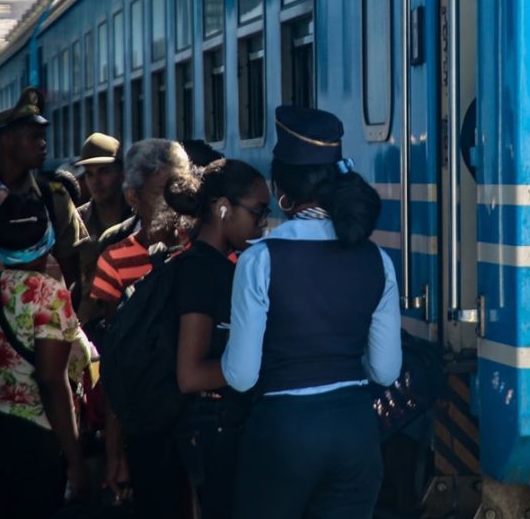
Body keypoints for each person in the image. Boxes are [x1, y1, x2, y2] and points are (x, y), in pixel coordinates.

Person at [222, 106, 402, 519]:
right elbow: (386, 371)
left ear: (280, 188)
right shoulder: (376, 259)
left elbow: (242, 376)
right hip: (356, 432)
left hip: (284, 433)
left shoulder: (262, 259)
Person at [0, 194, 94, 518]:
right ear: (47, 239)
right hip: (40, 439)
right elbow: (50, 379)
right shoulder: (50, 295)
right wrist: (75, 460)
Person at [159, 158, 269, 518]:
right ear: (223, 209)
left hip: (217, 425)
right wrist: (257, 366)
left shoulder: (216, 264)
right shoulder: (203, 272)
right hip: (213, 430)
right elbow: (190, 374)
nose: (264, 223)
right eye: (258, 212)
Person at [0, 86, 93, 289]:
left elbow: (73, 279)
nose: (43, 144)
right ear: (7, 140)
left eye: (43, 137)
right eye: (34, 137)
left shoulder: (55, 197)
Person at [89, 139, 189, 311]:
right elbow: (114, 330)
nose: (172, 199)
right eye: (160, 192)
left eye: (179, 189)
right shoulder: (114, 262)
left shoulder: (201, 245)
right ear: (133, 197)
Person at [75, 134, 130, 243]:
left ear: (122, 174)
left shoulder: (139, 217)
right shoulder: (77, 222)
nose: (95, 181)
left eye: (104, 172)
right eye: (89, 174)